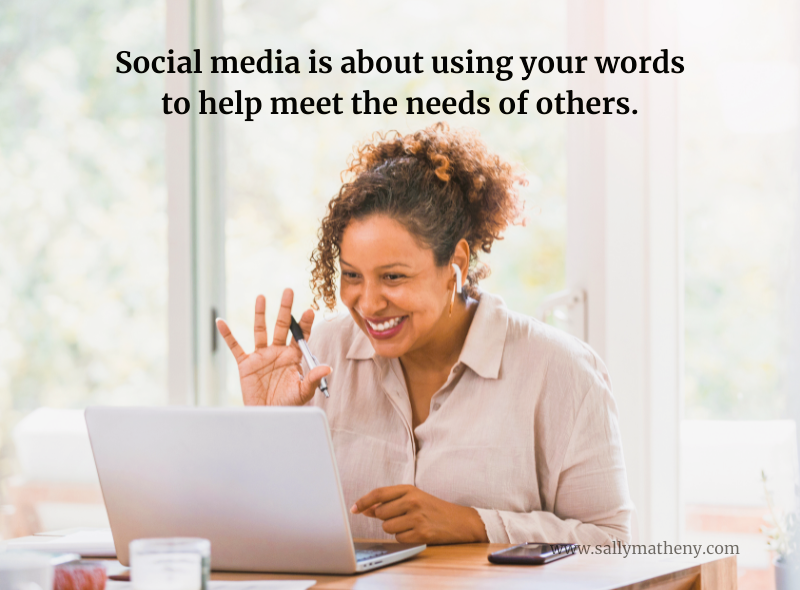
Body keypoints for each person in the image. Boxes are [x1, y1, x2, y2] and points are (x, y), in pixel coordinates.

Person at [217, 123, 633, 545]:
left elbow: (613, 539)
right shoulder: (319, 356)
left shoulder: (559, 371)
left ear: (455, 262)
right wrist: (265, 426)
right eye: (352, 276)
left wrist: (473, 524)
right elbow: (263, 532)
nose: (368, 302)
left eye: (393, 277)